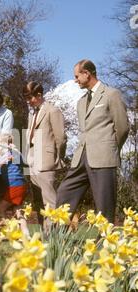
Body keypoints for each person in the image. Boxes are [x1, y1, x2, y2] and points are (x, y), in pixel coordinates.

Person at [56, 59, 129, 223]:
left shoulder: (111, 94)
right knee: (64, 191)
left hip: (103, 157)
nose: (75, 80)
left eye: (77, 76)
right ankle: (56, 234)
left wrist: (109, 148)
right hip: (81, 156)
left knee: (104, 203)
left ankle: (105, 240)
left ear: (87, 73)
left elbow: (122, 127)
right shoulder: (81, 102)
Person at [23, 81, 67, 227]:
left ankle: (55, 236)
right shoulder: (32, 113)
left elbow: (60, 138)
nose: (28, 101)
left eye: (30, 98)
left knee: (49, 200)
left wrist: (56, 157)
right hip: (32, 161)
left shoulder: (53, 111)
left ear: (39, 95)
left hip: (47, 161)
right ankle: (45, 232)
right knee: (38, 201)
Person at [0, 134, 30, 238]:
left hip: (15, 186)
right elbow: (1, 174)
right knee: (18, 210)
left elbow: (22, 161)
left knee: (0, 209)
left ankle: (3, 232)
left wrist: (13, 150)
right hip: (19, 186)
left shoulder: (12, 153)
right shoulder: (3, 158)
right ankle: (26, 234)